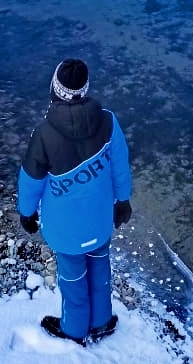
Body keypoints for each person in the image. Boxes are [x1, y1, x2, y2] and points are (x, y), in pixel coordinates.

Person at [18, 58, 132, 346]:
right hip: (100, 220)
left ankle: (75, 329)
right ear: (85, 89)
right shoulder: (108, 121)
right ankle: (102, 322)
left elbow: (31, 180)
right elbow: (120, 164)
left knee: (73, 282)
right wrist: (123, 201)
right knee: (100, 271)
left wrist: (27, 213)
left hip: (65, 231)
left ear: (55, 91)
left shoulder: (44, 135)